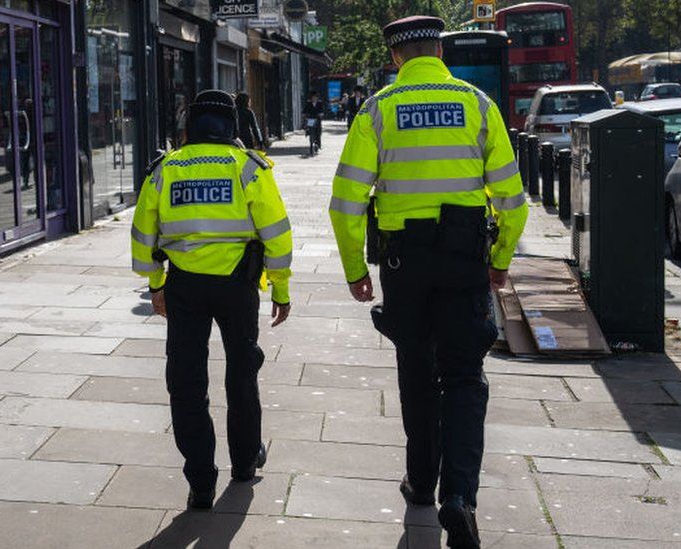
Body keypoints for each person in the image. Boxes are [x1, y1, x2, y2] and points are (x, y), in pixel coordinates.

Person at [328, 15, 527, 549]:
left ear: (396, 57)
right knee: (464, 376)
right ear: (439, 50)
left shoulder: (377, 111)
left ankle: (421, 484)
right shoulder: (478, 105)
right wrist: (501, 258)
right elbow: (512, 197)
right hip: (465, 257)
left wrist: (354, 270)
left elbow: (345, 203)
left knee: (416, 370)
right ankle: (459, 497)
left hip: (404, 264)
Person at [131, 90, 293, 511]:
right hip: (239, 287)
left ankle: (200, 480)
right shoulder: (248, 168)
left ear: (188, 128)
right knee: (242, 374)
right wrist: (281, 286)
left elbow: (143, 236)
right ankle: (244, 463)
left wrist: (155, 285)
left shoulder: (165, 169)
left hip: (184, 287)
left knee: (186, 382)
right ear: (232, 128)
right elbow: (276, 232)